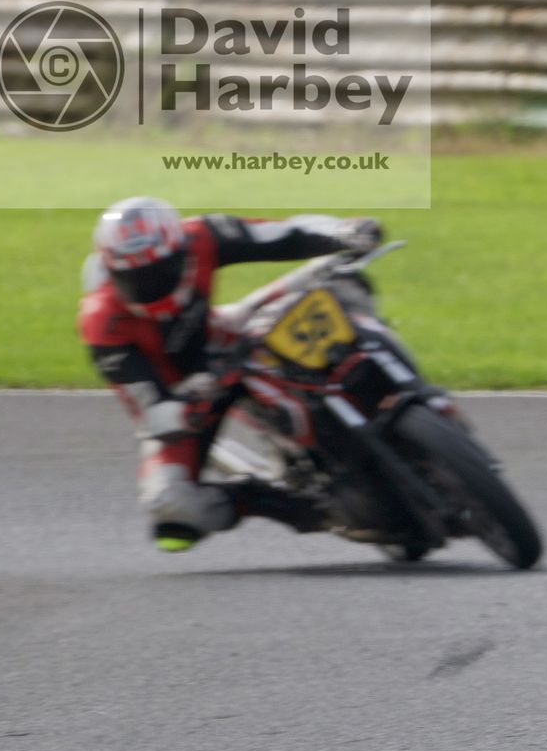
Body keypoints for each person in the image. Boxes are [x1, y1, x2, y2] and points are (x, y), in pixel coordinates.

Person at [79, 196, 390, 551]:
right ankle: (267, 500)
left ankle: (388, 391)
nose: (150, 283)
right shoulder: (102, 323)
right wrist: (187, 401)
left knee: (337, 280)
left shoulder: (201, 235)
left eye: (159, 269)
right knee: (170, 506)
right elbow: (150, 411)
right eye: (135, 278)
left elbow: (282, 233)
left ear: (179, 250)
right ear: (111, 271)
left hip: (224, 336)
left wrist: (342, 231)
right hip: (183, 399)